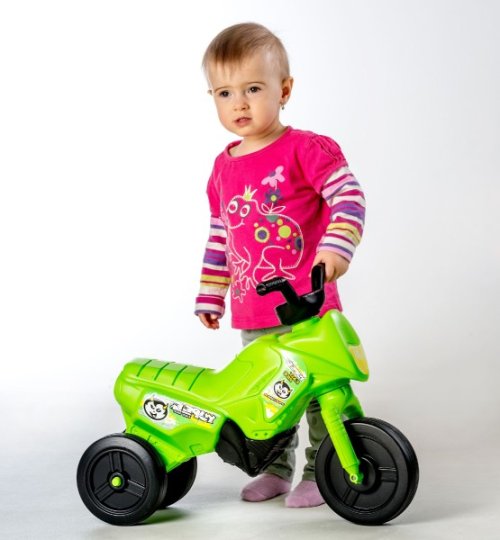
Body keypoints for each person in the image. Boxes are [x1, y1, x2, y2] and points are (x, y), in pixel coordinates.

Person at [194, 22, 366, 508]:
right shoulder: (222, 168)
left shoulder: (305, 149)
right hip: (255, 312)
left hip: (307, 305)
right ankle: (275, 468)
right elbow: (221, 234)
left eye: (253, 89)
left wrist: (336, 248)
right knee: (270, 396)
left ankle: (323, 468)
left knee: (316, 392)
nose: (239, 104)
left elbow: (349, 197)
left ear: (284, 90)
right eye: (225, 93)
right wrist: (212, 293)